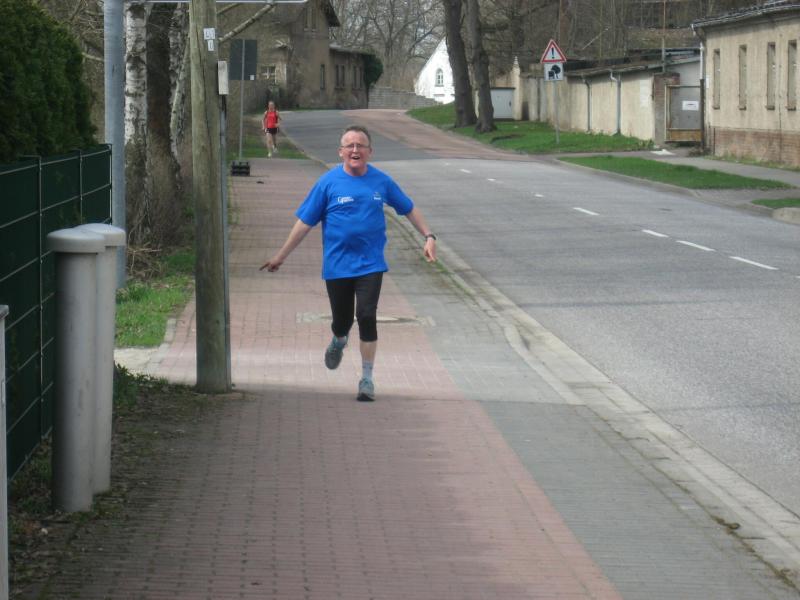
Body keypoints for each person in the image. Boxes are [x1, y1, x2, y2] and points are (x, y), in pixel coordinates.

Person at [260, 125, 437, 402]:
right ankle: (339, 339)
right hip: (337, 265)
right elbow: (305, 223)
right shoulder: (327, 183)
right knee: (342, 321)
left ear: (369, 151)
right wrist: (280, 256)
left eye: (361, 145)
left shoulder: (381, 181)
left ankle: (366, 379)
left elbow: (408, 208)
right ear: (340, 151)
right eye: (350, 145)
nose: (355, 150)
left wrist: (428, 236)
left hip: (371, 264)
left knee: (366, 316)